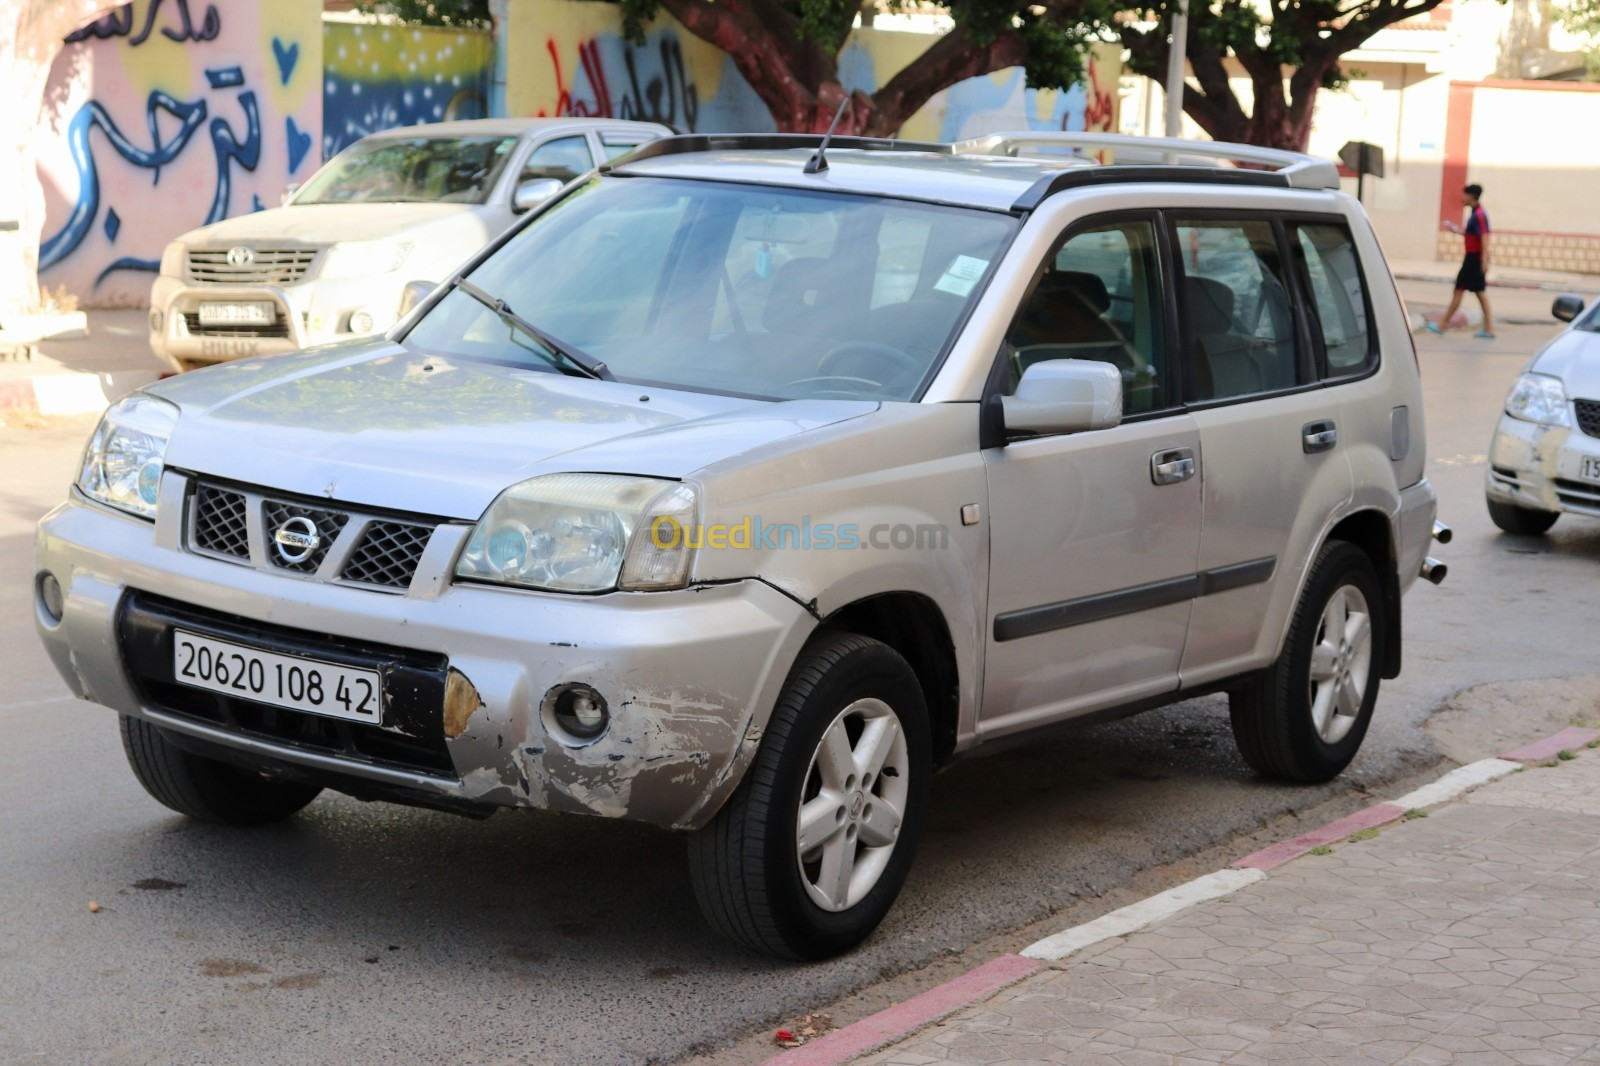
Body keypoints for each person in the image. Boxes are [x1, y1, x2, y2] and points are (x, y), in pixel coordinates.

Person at [1427, 184, 1494, 338]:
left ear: (1471, 196)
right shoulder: (1475, 213)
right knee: (1476, 291)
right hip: (1472, 257)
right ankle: (1489, 327)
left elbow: (1484, 237)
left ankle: (1443, 324)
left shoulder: (1479, 214)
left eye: (1464, 195)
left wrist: (1484, 259)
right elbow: (1472, 235)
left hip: (1474, 258)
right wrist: (1457, 231)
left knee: (1463, 289)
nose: (1462, 198)